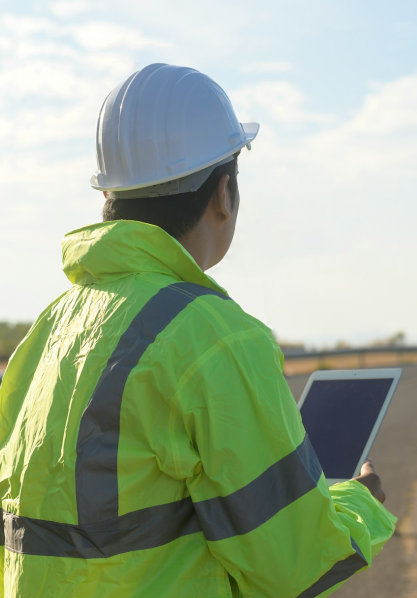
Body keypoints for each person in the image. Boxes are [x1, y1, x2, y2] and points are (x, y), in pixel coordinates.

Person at [0, 63, 395, 598]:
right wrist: (362, 502)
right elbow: (294, 562)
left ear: (110, 199)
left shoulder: (48, 331)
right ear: (223, 193)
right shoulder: (215, 338)